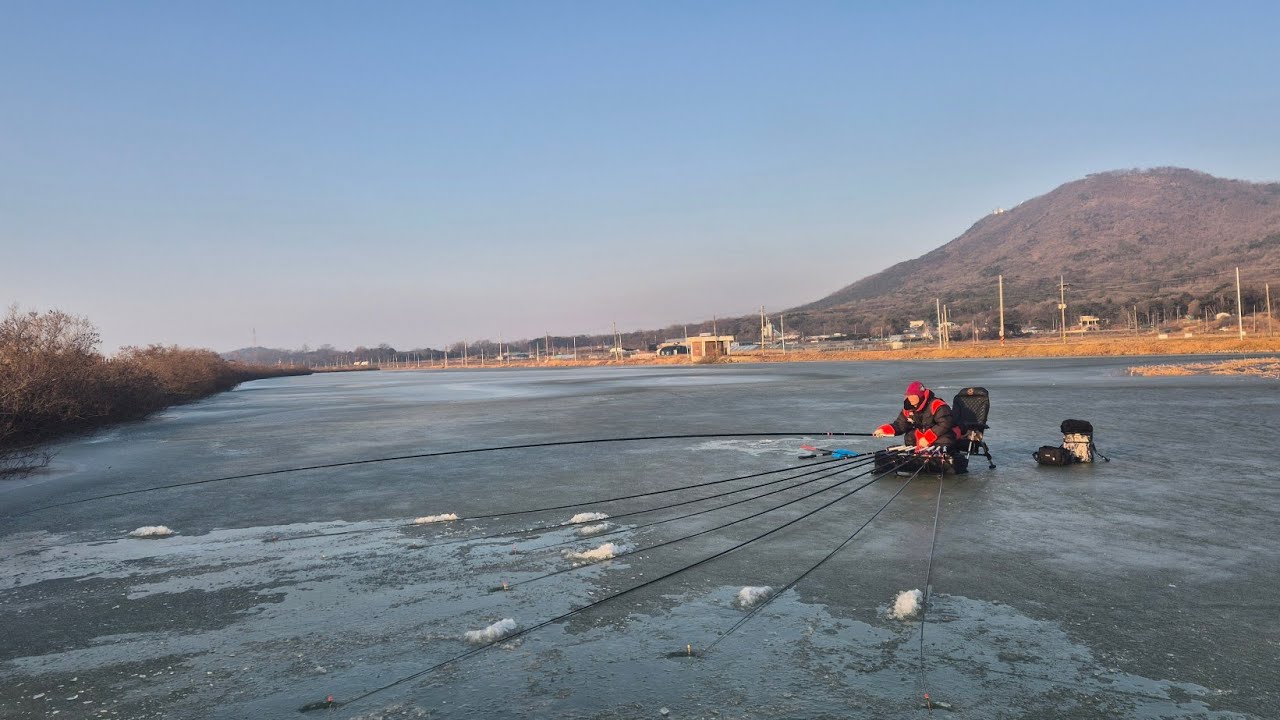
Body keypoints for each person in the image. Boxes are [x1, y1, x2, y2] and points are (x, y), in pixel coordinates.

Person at [872, 381, 963, 456]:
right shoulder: (908, 408)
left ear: (921, 396)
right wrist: (884, 430)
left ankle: (937, 455)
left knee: (944, 439)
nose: (912, 401)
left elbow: (945, 423)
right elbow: (900, 424)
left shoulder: (937, 405)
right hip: (923, 439)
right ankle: (915, 455)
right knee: (910, 436)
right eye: (909, 397)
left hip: (942, 435)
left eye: (914, 398)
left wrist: (928, 438)